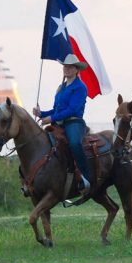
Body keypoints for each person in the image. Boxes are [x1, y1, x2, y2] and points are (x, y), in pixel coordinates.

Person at [34, 54, 92, 193]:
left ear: (76, 70)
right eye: (65, 66)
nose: (67, 69)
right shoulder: (61, 87)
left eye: (70, 67)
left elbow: (72, 109)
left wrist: (51, 119)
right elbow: (56, 109)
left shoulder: (80, 87)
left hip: (74, 122)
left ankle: (86, 177)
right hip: (59, 123)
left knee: (74, 143)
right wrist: (41, 114)